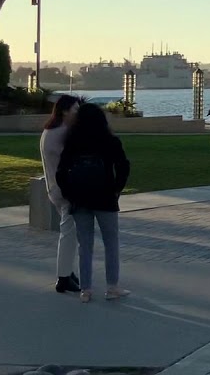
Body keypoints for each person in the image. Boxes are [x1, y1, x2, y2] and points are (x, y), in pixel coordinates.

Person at [56, 103, 132, 303]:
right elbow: (123, 166)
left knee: (85, 245)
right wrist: (117, 189)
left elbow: (60, 172)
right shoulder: (110, 141)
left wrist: (69, 193)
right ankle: (112, 286)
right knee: (111, 242)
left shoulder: (73, 142)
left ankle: (86, 289)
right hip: (105, 197)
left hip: (80, 199)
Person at [39, 95, 81, 294]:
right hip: (66, 190)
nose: (77, 113)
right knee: (69, 234)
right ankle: (63, 277)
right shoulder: (63, 132)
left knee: (69, 232)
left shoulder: (49, 130)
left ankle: (67, 271)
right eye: (75, 109)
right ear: (65, 111)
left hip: (54, 188)